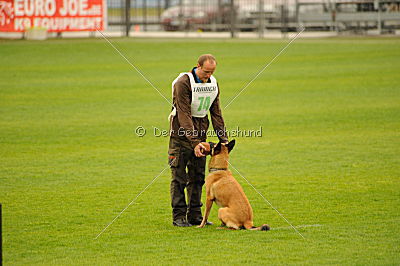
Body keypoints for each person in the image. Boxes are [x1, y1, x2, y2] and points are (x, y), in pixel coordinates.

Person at [168, 54, 228, 227]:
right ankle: (179, 217)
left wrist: (222, 139)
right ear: (198, 66)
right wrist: (195, 143)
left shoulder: (213, 83)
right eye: (206, 72)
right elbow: (184, 114)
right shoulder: (183, 83)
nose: (208, 75)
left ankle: (195, 215)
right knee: (179, 177)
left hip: (200, 134)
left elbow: (216, 112)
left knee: (198, 177)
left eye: (212, 72)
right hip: (180, 136)